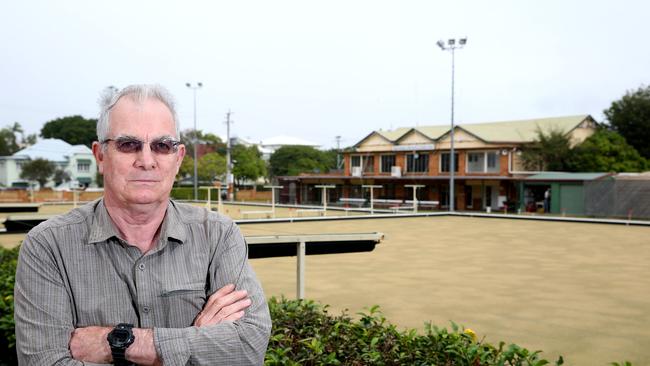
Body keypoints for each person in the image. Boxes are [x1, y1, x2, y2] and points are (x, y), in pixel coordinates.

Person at [14, 84, 271, 365]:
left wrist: (116, 344)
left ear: (178, 158)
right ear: (100, 155)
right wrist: (194, 342)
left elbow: (247, 348)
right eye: (128, 144)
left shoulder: (218, 235)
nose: (146, 160)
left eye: (162, 146)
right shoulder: (49, 246)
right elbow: (44, 362)